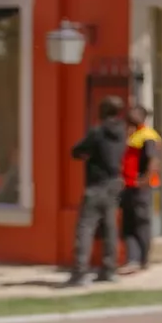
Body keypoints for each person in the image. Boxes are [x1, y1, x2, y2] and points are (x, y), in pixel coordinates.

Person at [68, 96, 129, 287]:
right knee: (110, 228)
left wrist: (87, 155)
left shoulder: (98, 131)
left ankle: (80, 273)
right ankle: (109, 270)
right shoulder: (123, 133)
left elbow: (76, 150)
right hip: (114, 183)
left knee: (85, 228)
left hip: (96, 185)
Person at [119, 104, 162, 273]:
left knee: (141, 223)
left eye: (135, 113)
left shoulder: (147, 135)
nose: (131, 115)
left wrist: (144, 180)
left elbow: (154, 160)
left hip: (141, 188)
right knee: (128, 225)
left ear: (143, 116)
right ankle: (132, 260)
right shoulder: (133, 135)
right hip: (128, 186)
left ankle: (142, 259)